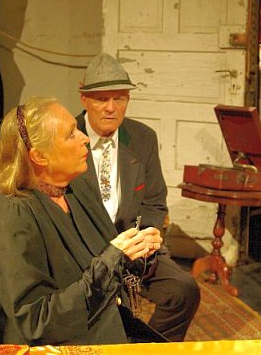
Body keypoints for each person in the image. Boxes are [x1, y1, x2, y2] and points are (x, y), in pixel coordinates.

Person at [0, 98, 166, 346]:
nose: (84, 138)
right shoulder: (10, 217)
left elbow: (110, 263)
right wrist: (114, 258)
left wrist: (137, 248)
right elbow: (37, 321)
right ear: (39, 156)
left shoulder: (78, 189)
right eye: (70, 134)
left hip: (104, 326)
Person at [75, 53, 200, 342]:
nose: (111, 108)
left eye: (119, 99)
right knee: (105, 313)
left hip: (133, 251)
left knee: (183, 290)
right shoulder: (67, 136)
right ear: (84, 99)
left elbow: (155, 201)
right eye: (101, 99)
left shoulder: (143, 137)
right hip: (84, 254)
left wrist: (145, 239)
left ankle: (144, 347)